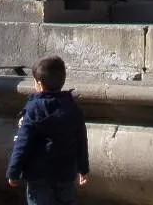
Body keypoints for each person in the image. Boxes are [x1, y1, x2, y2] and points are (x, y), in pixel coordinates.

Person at [7, 55, 89, 205]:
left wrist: (13, 172)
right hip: (65, 174)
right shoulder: (72, 107)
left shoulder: (33, 109)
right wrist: (83, 168)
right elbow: (81, 139)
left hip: (38, 176)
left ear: (39, 84)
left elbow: (23, 142)